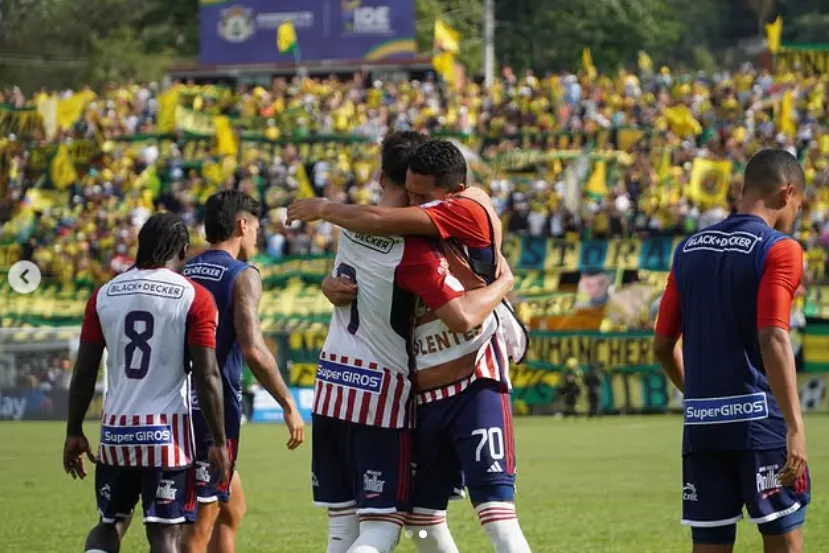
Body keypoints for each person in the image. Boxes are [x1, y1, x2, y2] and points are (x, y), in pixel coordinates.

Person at [290, 139, 532, 553]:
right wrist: (505, 282)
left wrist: (325, 211)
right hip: (413, 393)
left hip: (472, 378)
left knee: (494, 513)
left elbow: (461, 315)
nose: (417, 204)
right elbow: (378, 230)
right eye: (413, 193)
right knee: (421, 519)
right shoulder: (401, 239)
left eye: (424, 196)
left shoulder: (462, 209)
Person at [653, 148, 810, 553]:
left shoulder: (686, 250)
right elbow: (773, 336)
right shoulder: (780, 249)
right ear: (786, 192)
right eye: (798, 205)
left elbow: (663, 344)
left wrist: (700, 398)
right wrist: (795, 426)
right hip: (760, 425)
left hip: (703, 429)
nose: (796, 215)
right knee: (784, 542)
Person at [63, 212, 231, 553]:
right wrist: (217, 439)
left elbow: (83, 372)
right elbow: (207, 374)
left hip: (116, 432)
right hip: (165, 436)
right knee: (165, 534)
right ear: (184, 250)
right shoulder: (194, 296)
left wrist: (74, 431)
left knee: (110, 524)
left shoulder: (104, 294)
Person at [182, 190, 304, 553]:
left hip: (176, 403)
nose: (257, 236)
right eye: (256, 228)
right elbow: (254, 349)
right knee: (199, 525)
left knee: (230, 508)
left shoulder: (183, 269)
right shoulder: (242, 274)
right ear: (242, 224)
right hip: (212, 408)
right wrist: (287, 403)